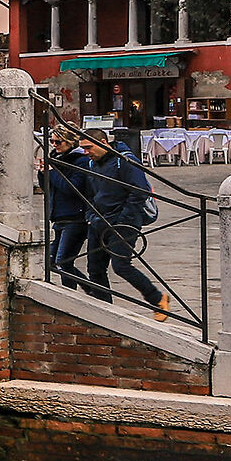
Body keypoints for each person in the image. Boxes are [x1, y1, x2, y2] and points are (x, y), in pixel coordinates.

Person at [76, 129, 169, 320]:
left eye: (88, 147)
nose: (86, 152)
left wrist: (123, 220)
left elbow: (140, 192)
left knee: (121, 265)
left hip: (122, 224)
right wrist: (91, 216)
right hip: (98, 222)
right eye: (82, 149)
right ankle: (104, 311)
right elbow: (90, 194)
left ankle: (157, 299)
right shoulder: (93, 164)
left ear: (103, 142)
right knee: (95, 268)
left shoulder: (124, 161)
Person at [43, 128, 101, 291]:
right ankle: (83, 289)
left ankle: (84, 291)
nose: (54, 145)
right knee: (52, 261)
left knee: (62, 261)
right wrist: (43, 174)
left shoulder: (80, 161)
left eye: (58, 142)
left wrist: (52, 173)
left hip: (75, 217)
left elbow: (72, 188)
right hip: (59, 215)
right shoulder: (56, 157)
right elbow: (48, 188)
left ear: (69, 142)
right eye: (52, 142)